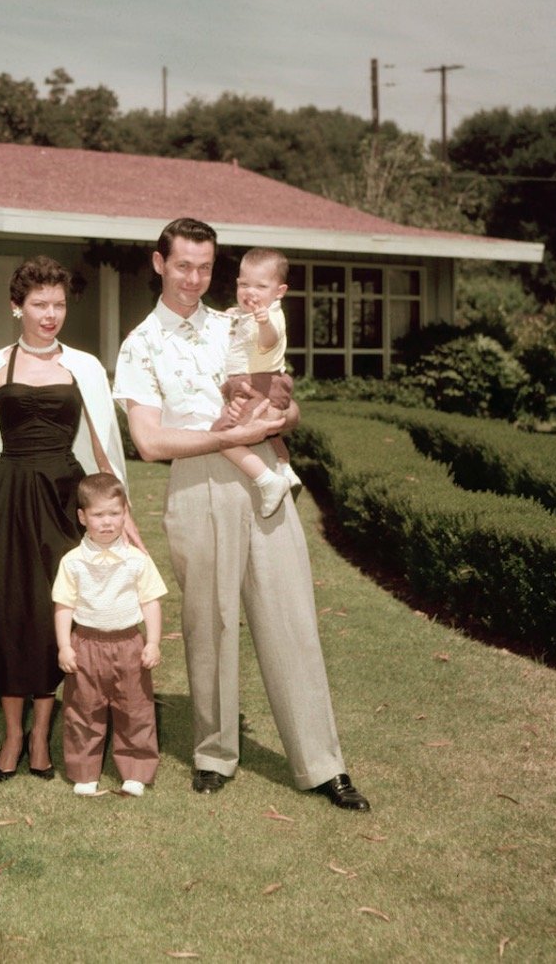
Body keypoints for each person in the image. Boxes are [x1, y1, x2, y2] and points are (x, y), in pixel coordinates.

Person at [113, 217, 369, 811]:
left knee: (292, 618)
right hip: (197, 488)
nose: (195, 279)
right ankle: (213, 753)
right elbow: (151, 443)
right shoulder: (140, 344)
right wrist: (232, 435)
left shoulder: (241, 322)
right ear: (159, 264)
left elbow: (287, 401)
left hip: (264, 481)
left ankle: (322, 763)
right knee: (210, 624)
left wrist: (279, 418)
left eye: (206, 267)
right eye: (183, 266)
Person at [0, 256, 133, 782]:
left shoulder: (83, 367)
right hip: (9, 495)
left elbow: (102, 450)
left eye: (59, 304)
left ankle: (43, 735)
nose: (50, 314)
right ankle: (13, 733)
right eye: (39, 304)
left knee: (55, 609)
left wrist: (124, 518)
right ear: (16, 306)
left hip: (62, 497)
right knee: (10, 611)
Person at [51, 472, 165, 798]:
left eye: (115, 513)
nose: (107, 522)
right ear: (82, 517)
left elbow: (150, 601)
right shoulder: (72, 562)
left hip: (129, 643)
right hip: (85, 644)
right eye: (98, 515)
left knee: (135, 710)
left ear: (124, 513)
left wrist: (153, 641)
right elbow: (63, 605)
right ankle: (85, 772)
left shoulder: (136, 560)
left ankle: (136, 769)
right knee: (83, 711)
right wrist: (64, 646)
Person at [211, 247, 300, 517]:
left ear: (280, 291)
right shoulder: (246, 312)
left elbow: (268, 340)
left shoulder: (270, 317)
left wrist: (262, 322)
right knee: (266, 428)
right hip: (259, 380)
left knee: (223, 435)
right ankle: (286, 470)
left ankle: (268, 481)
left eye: (261, 286)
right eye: (244, 284)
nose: (250, 291)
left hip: (261, 382)